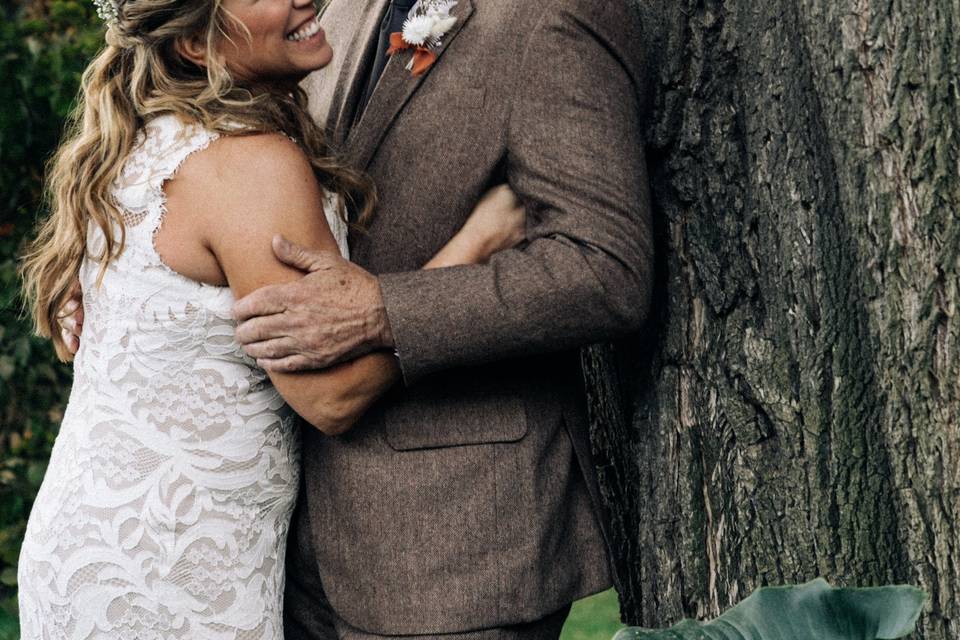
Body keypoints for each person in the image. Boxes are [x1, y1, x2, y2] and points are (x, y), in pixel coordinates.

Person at [16, 0, 524, 637]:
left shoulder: (141, 137)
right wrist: (479, 242)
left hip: (89, 540)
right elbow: (332, 396)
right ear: (198, 46)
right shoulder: (248, 163)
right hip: (173, 565)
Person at [230, 0, 654, 639]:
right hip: (284, 544)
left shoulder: (554, 16)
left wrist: (386, 311)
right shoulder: (335, 13)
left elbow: (606, 270)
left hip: (458, 543)